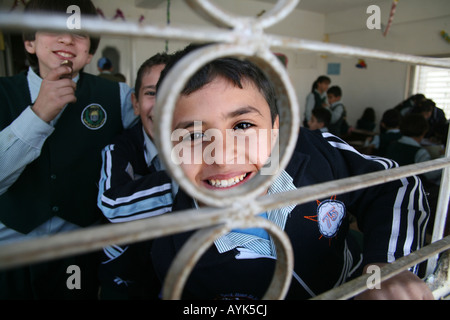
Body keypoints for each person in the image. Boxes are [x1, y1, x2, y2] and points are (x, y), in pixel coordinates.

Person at [147, 44, 433, 300]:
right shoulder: (175, 254)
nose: (222, 158)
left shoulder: (315, 151)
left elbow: (395, 183)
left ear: (276, 130)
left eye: (243, 126)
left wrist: (389, 264)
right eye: (194, 134)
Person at [0, 0, 136, 299]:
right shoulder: (3, 93)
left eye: (80, 34)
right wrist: (38, 115)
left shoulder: (119, 96)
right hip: (10, 248)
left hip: (79, 248)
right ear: (29, 42)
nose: (66, 39)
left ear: (89, 52)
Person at [97, 52, 174, 299]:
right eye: (151, 93)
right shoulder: (120, 149)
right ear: (136, 102)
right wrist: (188, 181)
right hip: (127, 278)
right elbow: (112, 203)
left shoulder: (202, 142)